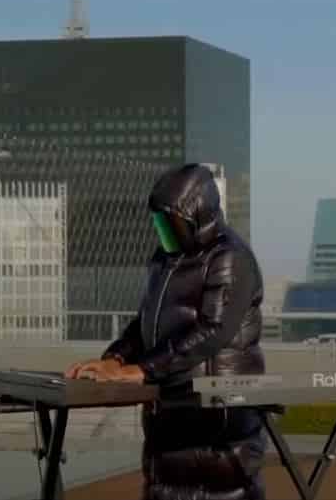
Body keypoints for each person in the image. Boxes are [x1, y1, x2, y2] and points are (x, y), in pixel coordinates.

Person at [65, 163, 268, 500]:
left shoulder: (230, 258)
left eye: (171, 222)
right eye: (159, 222)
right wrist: (115, 359)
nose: (164, 230)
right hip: (170, 409)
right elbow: (144, 322)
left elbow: (212, 329)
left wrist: (144, 369)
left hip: (215, 415)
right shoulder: (165, 259)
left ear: (198, 217)